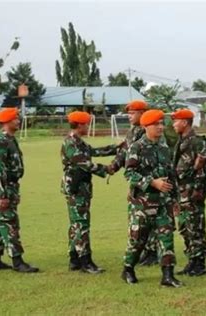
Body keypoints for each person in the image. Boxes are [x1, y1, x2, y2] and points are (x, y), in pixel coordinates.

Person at [121, 109, 182, 287]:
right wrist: (152, 182)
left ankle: (168, 275)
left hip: (164, 202)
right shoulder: (136, 147)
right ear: (146, 126)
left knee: (166, 237)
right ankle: (128, 269)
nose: (161, 127)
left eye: (162, 123)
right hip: (142, 203)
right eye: (156, 124)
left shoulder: (164, 149)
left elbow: (171, 175)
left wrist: (176, 199)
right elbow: (129, 173)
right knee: (138, 238)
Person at [60, 111, 117, 274]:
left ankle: (74, 259)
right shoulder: (71, 143)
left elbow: (94, 151)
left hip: (81, 187)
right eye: (86, 124)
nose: (88, 126)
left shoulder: (79, 142)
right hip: (76, 188)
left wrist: (116, 148)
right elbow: (84, 163)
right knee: (81, 223)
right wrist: (105, 169)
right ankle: (86, 261)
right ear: (79, 125)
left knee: (76, 223)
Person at [0, 107, 39, 273]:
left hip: (11, 186)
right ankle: (18, 261)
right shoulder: (1, 141)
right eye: (16, 118)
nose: (18, 120)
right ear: (8, 121)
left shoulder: (11, 139)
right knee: (9, 223)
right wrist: (2, 195)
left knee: (0, 223)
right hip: (2, 187)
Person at [108, 100, 159, 266]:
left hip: (153, 180)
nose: (129, 116)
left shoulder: (151, 130)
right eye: (128, 113)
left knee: (152, 214)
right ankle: (146, 249)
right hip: (139, 180)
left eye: (132, 113)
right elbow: (124, 151)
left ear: (142, 113)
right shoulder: (132, 132)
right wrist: (113, 167)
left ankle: (151, 251)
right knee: (140, 215)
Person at [171, 109, 206, 276]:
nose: (173, 125)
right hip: (181, 191)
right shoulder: (181, 141)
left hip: (192, 190)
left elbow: (204, 166)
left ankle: (199, 262)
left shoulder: (195, 141)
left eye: (176, 121)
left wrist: (198, 190)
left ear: (185, 122)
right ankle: (191, 259)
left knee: (195, 226)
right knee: (185, 227)